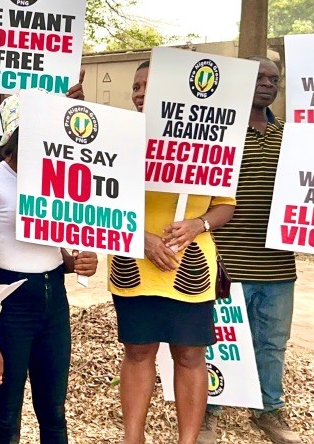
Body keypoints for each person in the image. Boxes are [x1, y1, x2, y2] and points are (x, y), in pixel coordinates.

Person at [108, 60, 235, 444]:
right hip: (133, 264)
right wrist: (140, 238)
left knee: (191, 356)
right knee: (138, 352)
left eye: (150, 85)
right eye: (136, 85)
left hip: (190, 266)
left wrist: (199, 225)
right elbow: (99, 202)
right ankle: (133, 438)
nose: (140, 92)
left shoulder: (212, 143)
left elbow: (225, 205)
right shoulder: (118, 138)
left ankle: (188, 440)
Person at [0, 73, 88, 444]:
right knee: (3, 415)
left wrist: (74, 261)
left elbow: (53, 247)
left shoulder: (57, 179)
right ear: (14, 136)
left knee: (54, 412)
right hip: (8, 305)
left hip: (54, 302)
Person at [204, 57, 299, 444]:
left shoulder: (291, 136)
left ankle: (268, 410)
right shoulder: (217, 133)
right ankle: (210, 409)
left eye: (274, 79)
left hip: (278, 264)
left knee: (272, 342)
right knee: (218, 339)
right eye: (259, 77)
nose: (267, 84)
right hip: (226, 259)